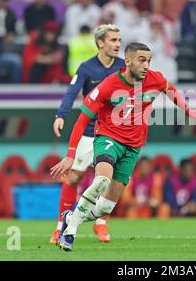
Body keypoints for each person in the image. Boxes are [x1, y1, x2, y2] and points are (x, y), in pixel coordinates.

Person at [50, 42, 196, 251]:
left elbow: (170, 91)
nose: (146, 65)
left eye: (149, 61)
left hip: (133, 147)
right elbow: (82, 120)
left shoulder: (155, 79)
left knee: (105, 207)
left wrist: (191, 112)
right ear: (128, 62)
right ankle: (70, 231)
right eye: (141, 60)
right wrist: (71, 155)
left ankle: (71, 216)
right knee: (101, 180)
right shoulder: (108, 86)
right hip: (108, 139)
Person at [49, 24, 125, 245]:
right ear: (100, 43)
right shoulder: (87, 68)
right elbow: (72, 91)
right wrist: (61, 115)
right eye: (113, 40)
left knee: (106, 180)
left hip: (113, 133)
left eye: (119, 40)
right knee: (73, 177)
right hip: (90, 131)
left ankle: (100, 222)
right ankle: (60, 226)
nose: (118, 44)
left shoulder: (124, 67)